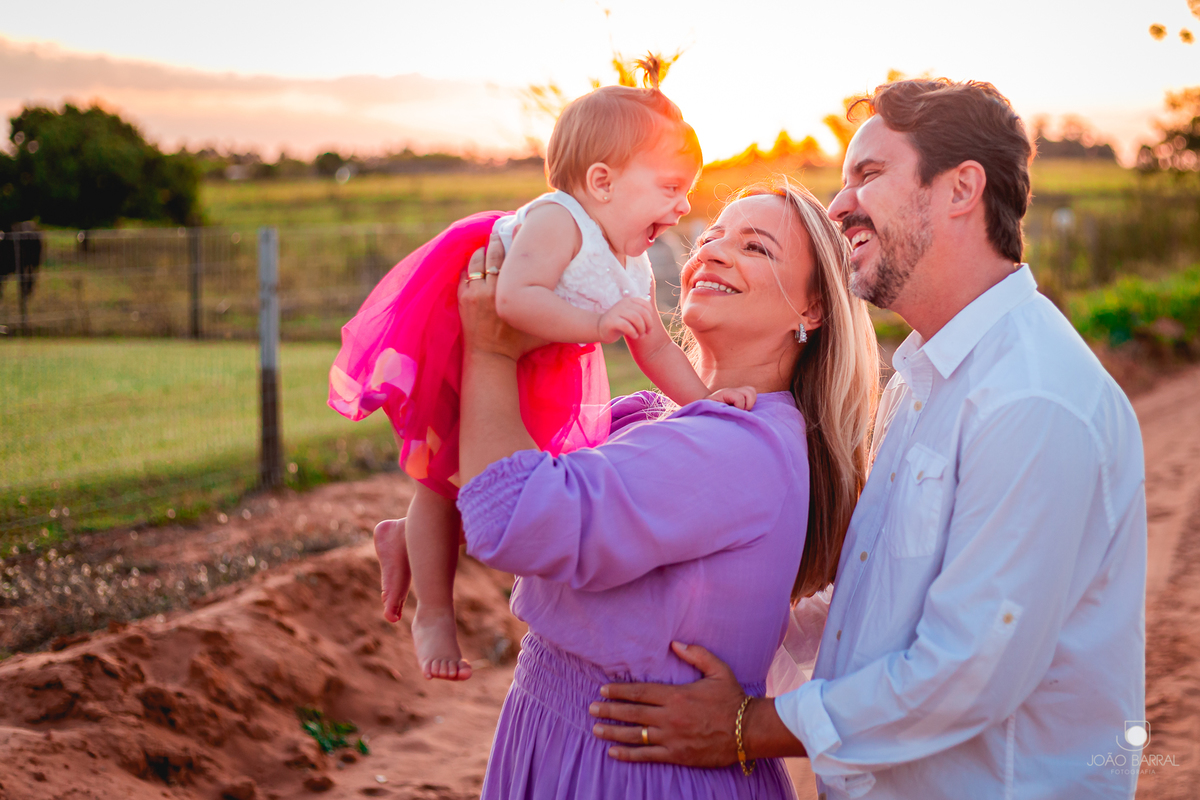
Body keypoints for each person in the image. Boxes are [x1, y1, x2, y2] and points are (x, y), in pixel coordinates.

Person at [588, 79, 1148, 800]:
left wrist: (745, 727)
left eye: (869, 174)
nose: (839, 204)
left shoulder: (1030, 400)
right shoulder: (923, 378)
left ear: (960, 189)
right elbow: (878, 599)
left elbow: (965, 673)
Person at [376, 182, 879, 796]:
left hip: (631, 766)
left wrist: (489, 348)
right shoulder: (661, 416)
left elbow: (510, 515)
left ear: (813, 310)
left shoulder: (736, 448)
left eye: (756, 247)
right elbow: (507, 468)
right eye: (713, 235)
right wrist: (435, 519)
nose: (713, 252)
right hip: (567, 735)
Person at [330, 67, 751, 681]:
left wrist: (707, 402)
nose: (683, 206)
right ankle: (435, 613)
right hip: (469, 345)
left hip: (532, 364)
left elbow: (655, 346)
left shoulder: (629, 260)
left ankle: (407, 537)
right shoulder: (559, 221)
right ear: (602, 182)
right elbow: (514, 300)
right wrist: (600, 322)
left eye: (686, 191)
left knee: (501, 485)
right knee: (440, 478)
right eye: (669, 187)